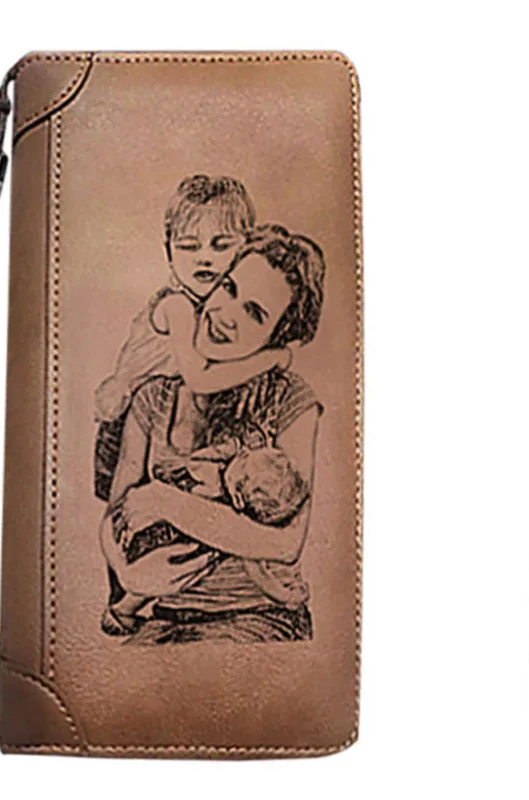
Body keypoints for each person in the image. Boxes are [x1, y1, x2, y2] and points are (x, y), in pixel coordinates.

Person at [99, 224, 325, 644]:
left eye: (254, 313)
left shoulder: (291, 401)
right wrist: (129, 575)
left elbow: (285, 543)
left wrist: (164, 500)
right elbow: (118, 515)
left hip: (257, 617)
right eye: (228, 288)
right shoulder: (153, 399)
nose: (225, 314)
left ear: (277, 337)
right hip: (163, 616)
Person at [94, 176, 289, 500]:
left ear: (245, 251)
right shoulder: (178, 307)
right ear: (168, 251)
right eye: (188, 246)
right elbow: (199, 378)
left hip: (167, 421)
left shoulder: (214, 306)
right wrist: (270, 359)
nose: (204, 258)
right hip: (126, 426)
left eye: (221, 245)